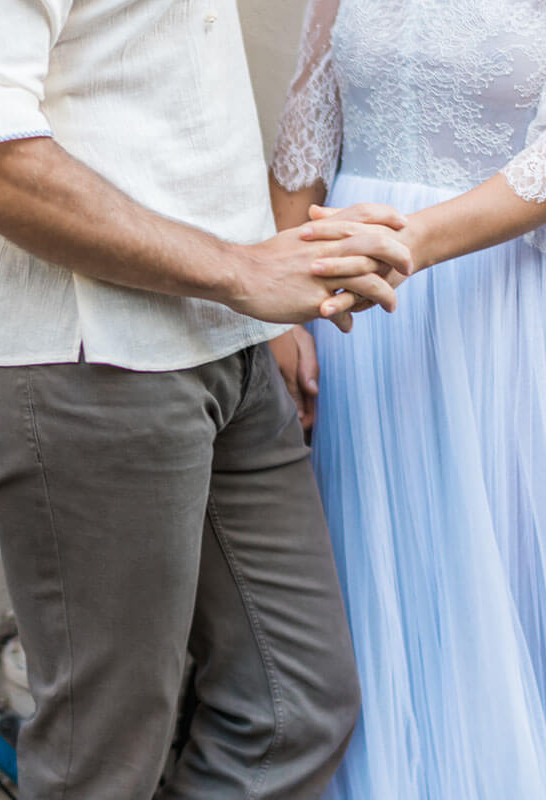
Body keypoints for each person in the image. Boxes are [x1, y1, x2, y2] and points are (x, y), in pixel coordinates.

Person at [0, 0, 415, 797]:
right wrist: (243, 271)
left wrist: (258, 291)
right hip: (90, 357)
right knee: (104, 768)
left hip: (231, 342)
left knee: (293, 711)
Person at [270, 1, 546, 797]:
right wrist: (283, 310)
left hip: (494, 306)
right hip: (348, 316)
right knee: (366, 582)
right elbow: (306, 132)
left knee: (495, 569)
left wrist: (409, 242)